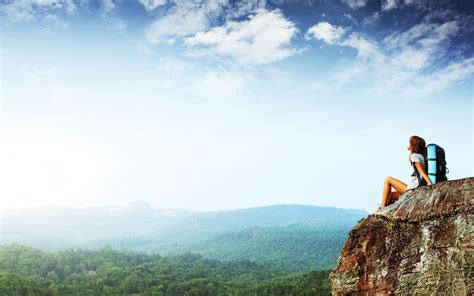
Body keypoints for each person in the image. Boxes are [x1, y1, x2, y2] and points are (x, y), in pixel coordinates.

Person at [379, 135, 433, 209]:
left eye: (409, 142)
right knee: (390, 195)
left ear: (413, 145)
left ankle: (382, 208)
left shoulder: (414, 156)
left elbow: (422, 172)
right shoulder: (421, 155)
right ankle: (387, 209)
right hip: (416, 187)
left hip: (414, 189)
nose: (407, 144)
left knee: (388, 179)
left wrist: (430, 184)